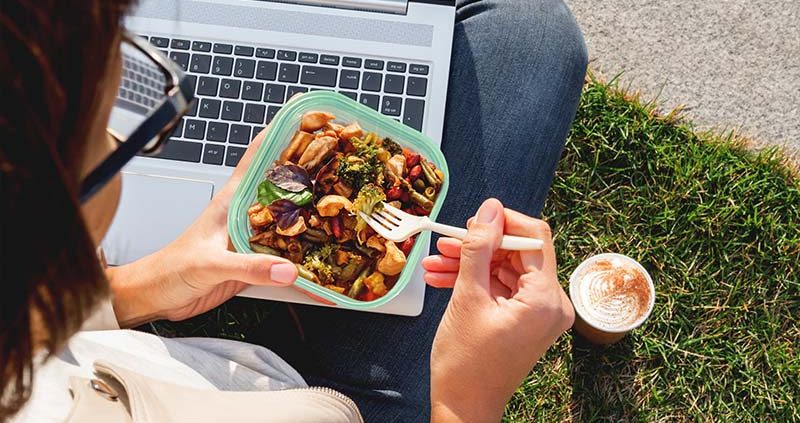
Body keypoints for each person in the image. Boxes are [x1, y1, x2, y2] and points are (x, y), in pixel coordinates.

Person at [0, 0, 586, 422]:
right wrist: (467, 401)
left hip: (183, 359)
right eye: (119, 130)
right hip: (336, 403)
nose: (121, 136)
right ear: (53, 212)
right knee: (535, 36)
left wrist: (138, 290)